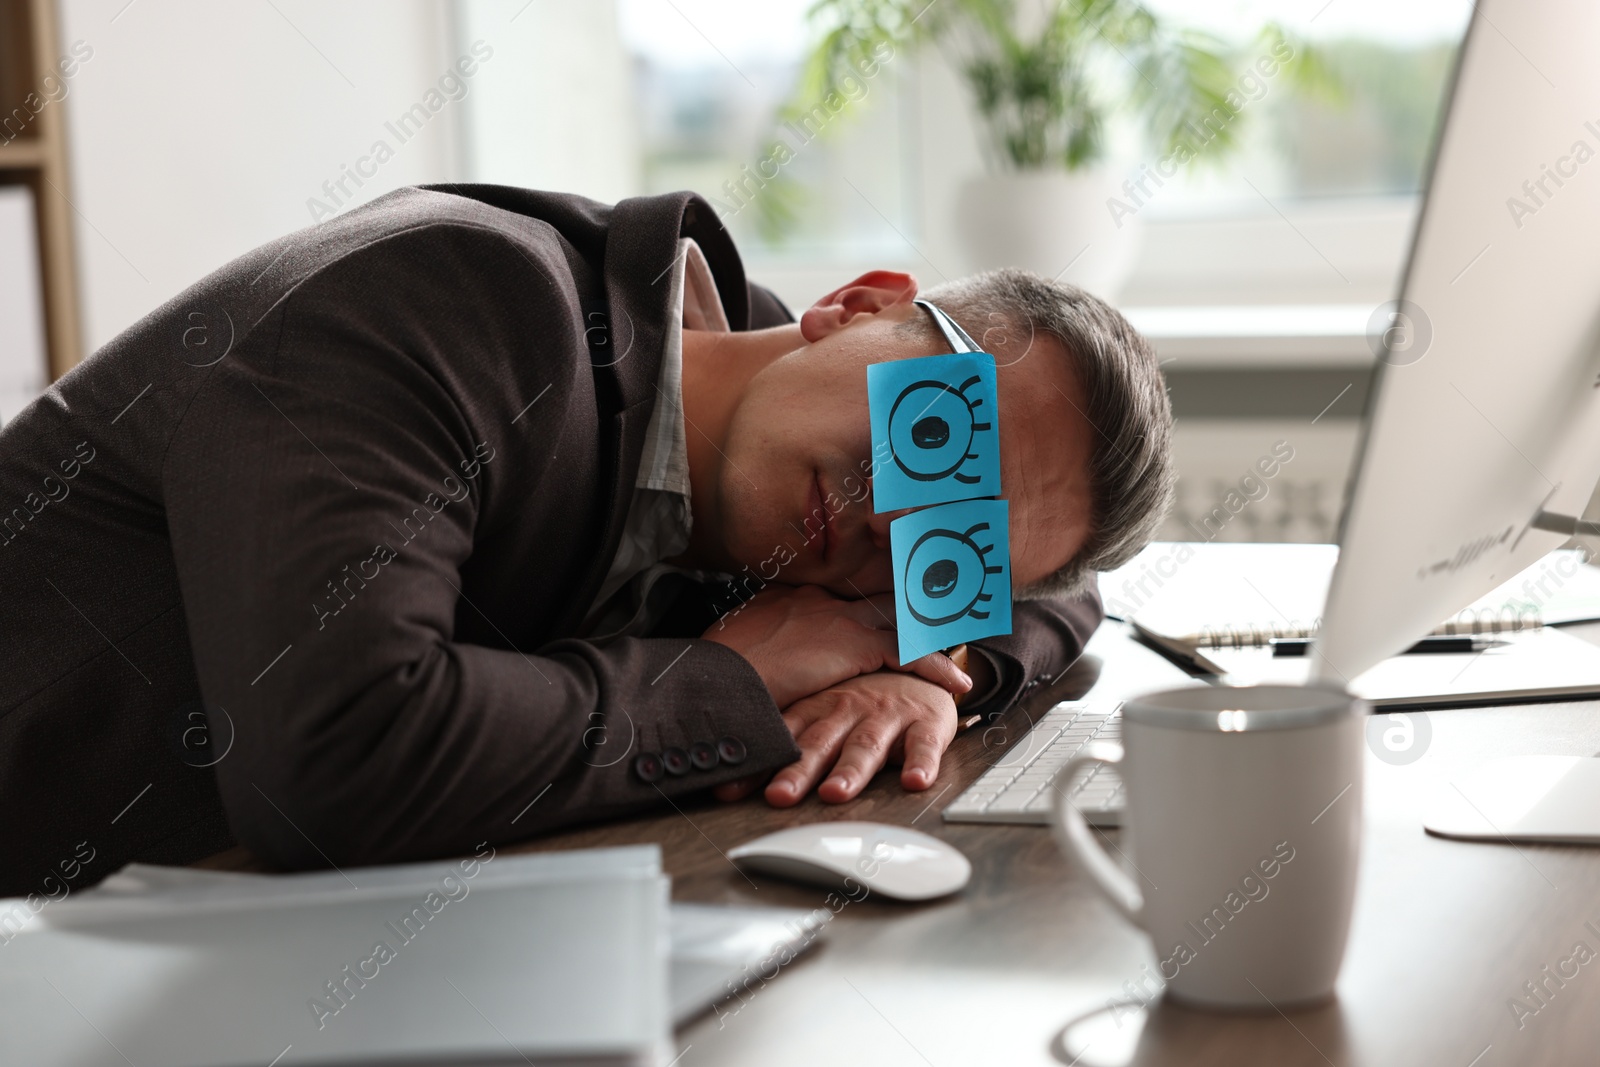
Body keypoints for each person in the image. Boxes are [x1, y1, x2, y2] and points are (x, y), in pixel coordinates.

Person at [0, 185, 1173, 893]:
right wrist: (742, 675)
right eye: (931, 439)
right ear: (861, 304)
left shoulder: (762, 399)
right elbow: (335, 759)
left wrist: (928, 676)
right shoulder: (446, 305)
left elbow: (1073, 601)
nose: (890, 522)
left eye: (949, 548)